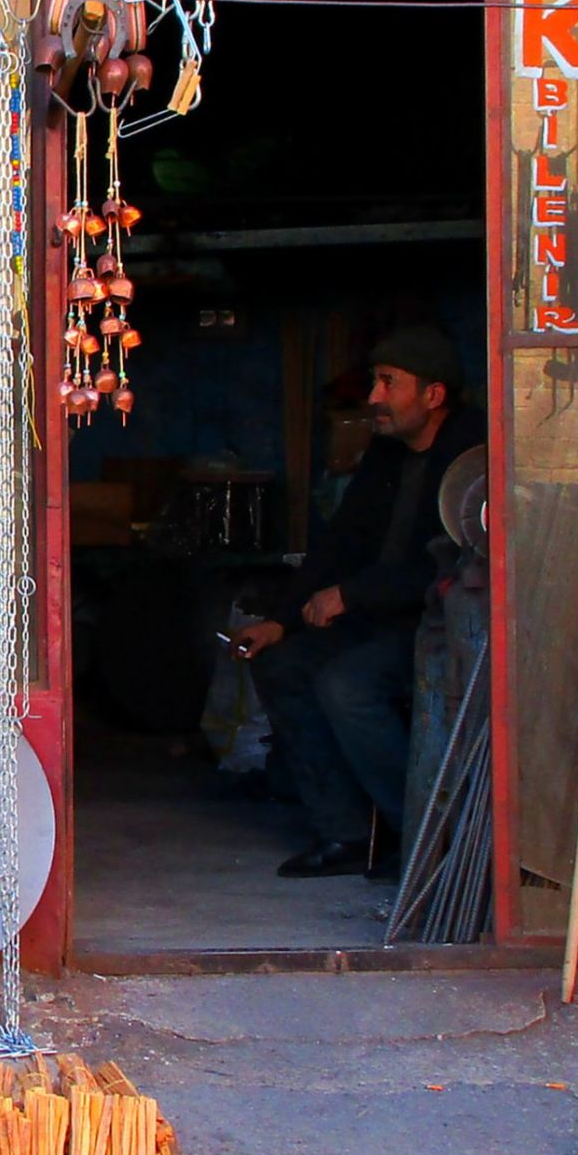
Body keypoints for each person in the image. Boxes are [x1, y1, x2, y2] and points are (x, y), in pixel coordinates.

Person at [236, 326, 483, 879]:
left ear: (433, 395)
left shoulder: (474, 461)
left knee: (347, 685)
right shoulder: (387, 456)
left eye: (388, 383)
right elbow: (340, 542)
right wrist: (280, 620)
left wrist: (353, 594)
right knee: (283, 666)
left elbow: (451, 564)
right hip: (375, 619)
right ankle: (347, 833)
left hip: (437, 625)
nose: (373, 397)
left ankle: (422, 836)